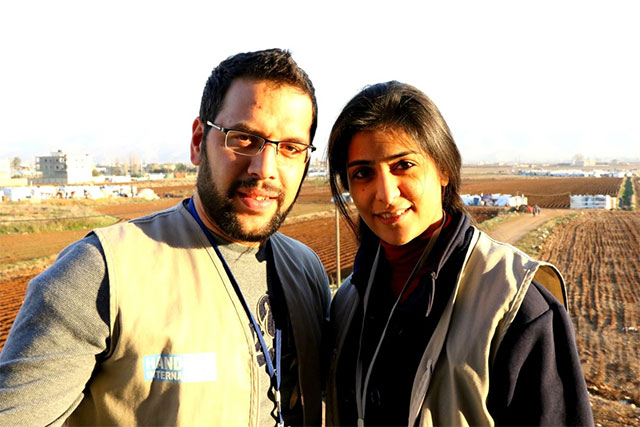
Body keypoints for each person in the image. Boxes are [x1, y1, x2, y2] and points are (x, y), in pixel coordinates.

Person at [0, 48, 331, 426]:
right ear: (197, 141)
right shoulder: (102, 271)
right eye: (243, 139)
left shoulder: (307, 271)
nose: (265, 169)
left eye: (289, 148)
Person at [325, 81, 593, 426]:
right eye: (363, 173)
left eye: (403, 165)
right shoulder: (349, 301)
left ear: (443, 169)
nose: (385, 194)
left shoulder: (516, 305)